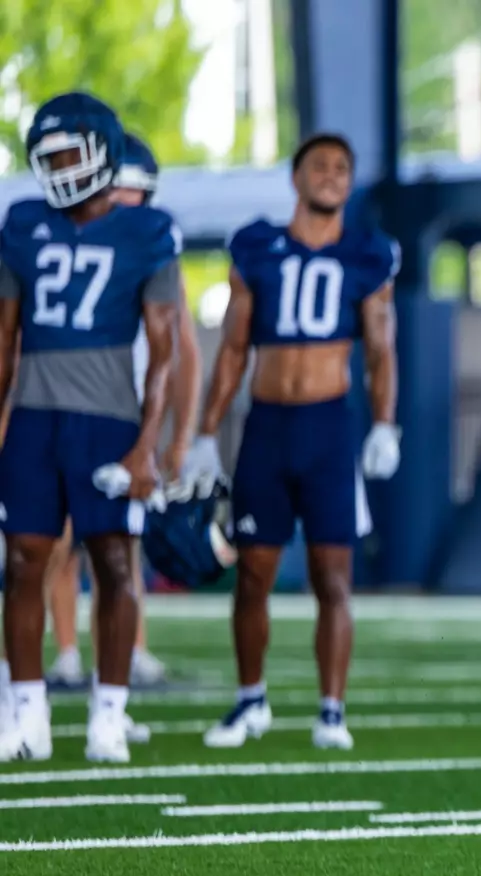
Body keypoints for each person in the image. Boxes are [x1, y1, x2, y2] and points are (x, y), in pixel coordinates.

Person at [180, 132, 401, 752]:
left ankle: (332, 710)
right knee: (253, 574)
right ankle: (251, 700)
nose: (331, 176)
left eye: (341, 167)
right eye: (319, 166)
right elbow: (231, 350)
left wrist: (386, 422)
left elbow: (381, 351)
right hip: (267, 428)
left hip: (329, 429)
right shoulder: (257, 247)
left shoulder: (368, 255)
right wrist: (203, 433)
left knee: (334, 578)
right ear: (297, 177)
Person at [0, 92, 181, 763]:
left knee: (111, 562)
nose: (60, 169)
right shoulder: (21, 225)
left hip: (108, 419)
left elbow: (163, 357)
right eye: (49, 159)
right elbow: (3, 343)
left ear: (103, 153)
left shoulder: (148, 231)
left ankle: (109, 714)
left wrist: (147, 447)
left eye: (71, 154)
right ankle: (26, 715)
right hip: (34, 418)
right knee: (22, 563)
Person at [45, 134, 203, 696]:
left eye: (136, 192)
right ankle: (65, 653)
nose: (126, 202)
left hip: (131, 412)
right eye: (119, 190)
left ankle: (128, 652)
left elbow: (184, 350)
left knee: (121, 543)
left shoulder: (155, 251)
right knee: (60, 539)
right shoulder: (67, 243)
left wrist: (180, 437)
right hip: (68, 404)